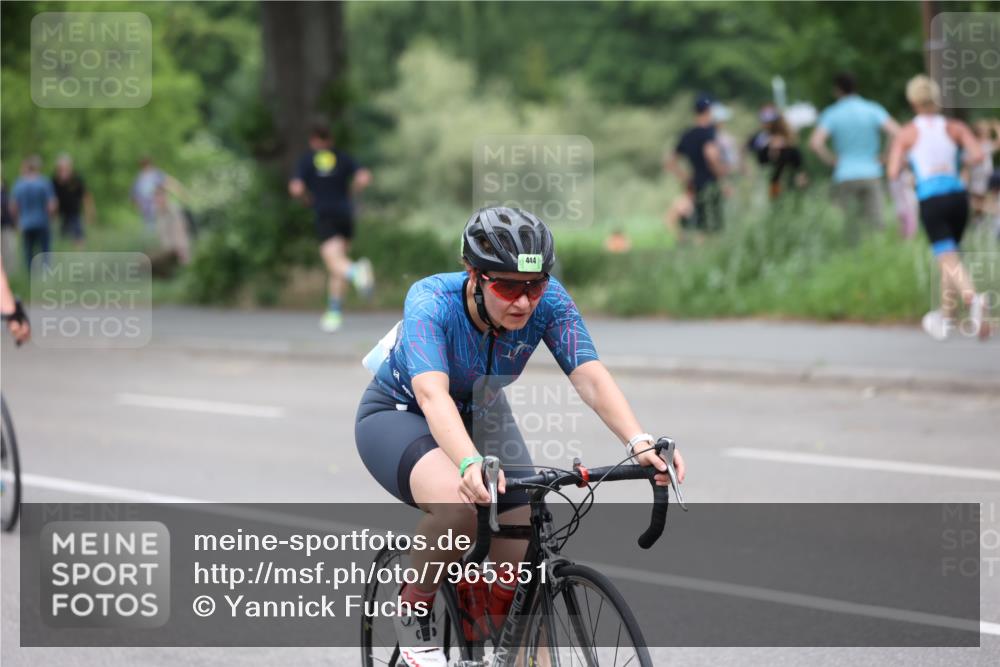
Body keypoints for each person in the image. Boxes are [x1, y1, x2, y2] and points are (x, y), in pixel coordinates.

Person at [354, 206, 686, 666]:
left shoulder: (549, 302)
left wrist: (639, 441)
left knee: (524, 521)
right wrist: (469, 464)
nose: (524, 302)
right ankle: (414, 609)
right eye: (507, 286)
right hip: (401, 413)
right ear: (474, 276)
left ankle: (497, 636)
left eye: (534, 286)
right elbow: (432, 396)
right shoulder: (431, 299)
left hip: (483, 410)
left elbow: (588, 375)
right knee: (460, 508)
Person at [887, 75, 989, 341]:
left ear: (913, 101)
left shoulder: (908, 133)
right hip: (957, 197)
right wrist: (957, 162)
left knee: (947, 256)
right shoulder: (954, 127)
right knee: (949, 256)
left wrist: (911, 169)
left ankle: (974, 299)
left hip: (932, 198)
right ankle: (946, 317)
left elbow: (892, 171)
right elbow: (978, 155)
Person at [288, 121, 374, 332]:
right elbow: (364, 177)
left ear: (313, 141)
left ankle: (357, 272)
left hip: (325, 214)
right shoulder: (342, 157)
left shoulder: (308, 160)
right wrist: (351, 191)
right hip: (345, 214)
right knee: (338, 266)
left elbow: (296, 189)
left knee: (335, 263)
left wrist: (308, 199)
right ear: (330, 140)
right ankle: (334, 313)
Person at [809, 73, 900, 239]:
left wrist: (830, 159)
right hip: (871, 172)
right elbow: (896, 132)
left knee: (848, 228)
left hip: (844, 174)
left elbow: (815, 143)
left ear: (837, 90)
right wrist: (885, 156)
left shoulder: (832, 113)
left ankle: (852, 259)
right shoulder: (872, 108)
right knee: (876, 227)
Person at [664, 94, 728, 240]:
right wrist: (722, 178)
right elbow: (710, 155)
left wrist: (685, 178)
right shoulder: (709, 133)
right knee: (712, 226)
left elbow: (669, 162)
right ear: (709, 111)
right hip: (710, 183)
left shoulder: (687, 134)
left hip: (694, 183)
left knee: (700, 225)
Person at [10, 156, 57, 271]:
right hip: (42, 222)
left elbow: (13, 206)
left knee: (28, 252)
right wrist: (51, 218)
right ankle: (46, 274)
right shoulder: (44, 182)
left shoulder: (19, 184)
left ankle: (30, 276)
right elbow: (52, 205)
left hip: (26, 223)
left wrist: (16, 222)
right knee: (45, 250)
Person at [131, 156, 184, 233]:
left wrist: (180, 192)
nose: (146, 166)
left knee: (165, 228)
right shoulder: (139, 179)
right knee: (151, 231)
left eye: (147, 164)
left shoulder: (156, 175)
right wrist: (139, 206)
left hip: (159, 207)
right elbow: (134, 196)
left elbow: (169, 183)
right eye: (144, 165)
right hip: (147, 209)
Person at [51, 154, 94, 248]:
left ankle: (78, 257)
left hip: (74, 213)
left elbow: (86, 197)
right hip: (60, 215)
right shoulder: (54, 181)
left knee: (78, 237)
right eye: (61, 168)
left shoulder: (76, 180)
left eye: (65, 168)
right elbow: (51, 199)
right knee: (61, 239)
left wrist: (89, 213)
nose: (63, 170)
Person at [967, 119, 1000, 223]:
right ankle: (979, 221)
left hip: (986, 175)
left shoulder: (985, 143)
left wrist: (996, 128)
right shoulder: (975, 144)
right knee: (978, 201)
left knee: (983, 200)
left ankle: (981, 221)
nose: (987, 132)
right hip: (977, 176)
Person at [1, 178, 18, 273]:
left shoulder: (5, 191)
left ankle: (9, 273)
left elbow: (10, 208)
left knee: (8, 250)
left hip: (7, 225)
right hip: (5, 225)